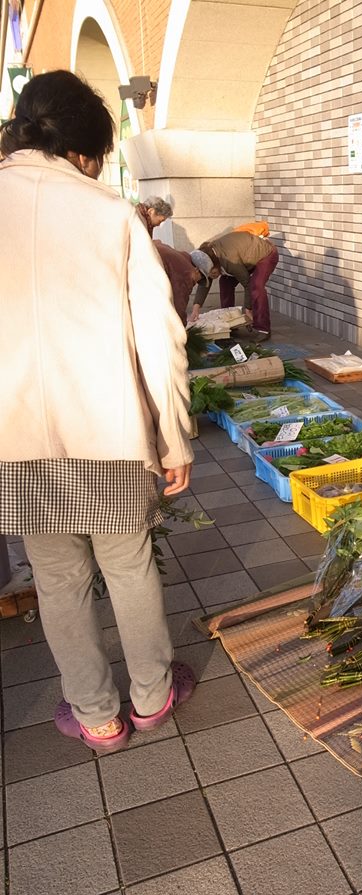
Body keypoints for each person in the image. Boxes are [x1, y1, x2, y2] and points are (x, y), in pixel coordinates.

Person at [0, 70, 196, 754]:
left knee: (57, 580)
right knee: (129, 566)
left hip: (13, 440)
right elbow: (160, 336)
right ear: (84, 146)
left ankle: (96, 717)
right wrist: (175, 439)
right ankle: (150, 698)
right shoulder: (109, 213)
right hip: (108, 433)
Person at [189, 230, 279, 338]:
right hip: (245, 258)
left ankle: (263, 328)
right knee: (225, 282)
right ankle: (229, 321)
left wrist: (248, 309)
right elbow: (205, 282)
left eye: (213, 273)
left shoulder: (229, 260)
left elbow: (247, 283)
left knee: (256, 286)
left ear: (215, 264)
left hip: (265, 254)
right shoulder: (206, 255)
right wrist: (196, 308)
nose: (213, 276)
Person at [154, 240, 202, 324]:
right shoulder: (186, 272)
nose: (196, 283)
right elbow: (178, 304)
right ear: (197, 270)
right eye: (200, 279)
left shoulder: (179, 257)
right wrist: (181, 329)